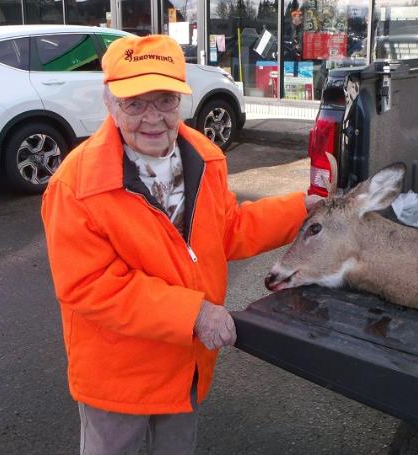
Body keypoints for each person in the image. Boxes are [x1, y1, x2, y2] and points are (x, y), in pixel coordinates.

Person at [41, 34, 319, 454]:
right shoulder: (76, 186)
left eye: (165, 100)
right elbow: (90, 285)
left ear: (181, 102)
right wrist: (194, 314)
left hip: (185, 365)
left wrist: (304, 209)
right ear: (110, 105)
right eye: (135, 103)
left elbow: (229, 230)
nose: (152, 117)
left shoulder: (205, 158)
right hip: (119, 379)